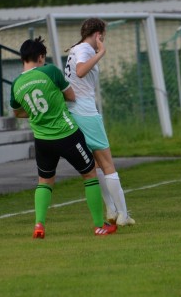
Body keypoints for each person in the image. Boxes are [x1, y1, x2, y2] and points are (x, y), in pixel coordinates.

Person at [10, 36, 117, 238]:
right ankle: (98, 225)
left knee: (44, 181)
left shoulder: (16, 84)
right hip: (66, 134)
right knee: (90, 174)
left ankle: (39, 224)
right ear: (41, 57)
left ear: (23, 58)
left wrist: (37, 113)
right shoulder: (50, 71)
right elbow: (71, 96)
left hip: (42, 140)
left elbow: (18, 113)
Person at [64, 18, 135, 226]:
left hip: (75, 112)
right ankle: (123, 214)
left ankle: (112, 210)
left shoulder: (76, 49)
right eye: (103, 34)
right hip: (86, 112)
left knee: (95, 164)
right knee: (107, 164)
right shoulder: (86, 49)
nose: (104, 38)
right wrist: (101, 53)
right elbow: (80, 71)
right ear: (98, 34)